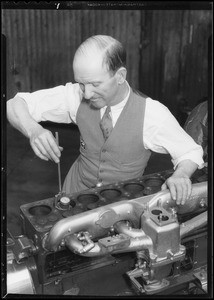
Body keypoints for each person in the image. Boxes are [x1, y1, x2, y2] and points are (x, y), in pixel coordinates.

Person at [7, 35, 204, 206]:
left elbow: (190, 152)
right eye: (81, 83)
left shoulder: (152, 114)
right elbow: (14, 103)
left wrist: (181, 175)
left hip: (122, 205)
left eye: (94, 84)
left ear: (120, 76)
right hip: (74, 196)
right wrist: (34, 130)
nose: (87, 93)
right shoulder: (77, 95)